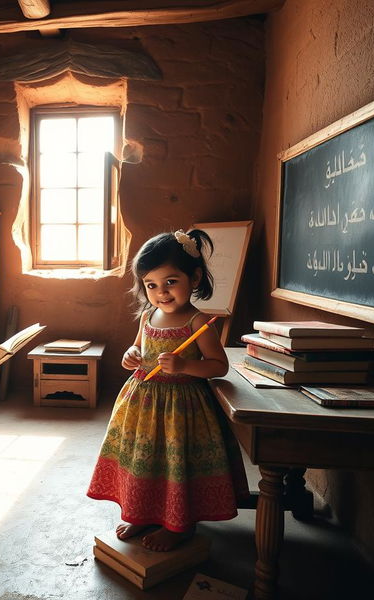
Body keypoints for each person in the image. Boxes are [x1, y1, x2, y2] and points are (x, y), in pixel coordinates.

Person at [87, 229, 248, 551]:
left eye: (171, 282)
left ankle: (181, 525)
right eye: (151, 285)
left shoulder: (198, 323)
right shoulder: (148, 315)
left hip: (182, 409)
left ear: (196, 278)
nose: (162, 293)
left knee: (176, 466)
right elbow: (136, 351)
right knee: (145, 463)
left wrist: (186, 366)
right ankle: (144, 513)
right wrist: (129, 357)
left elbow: (218, 366)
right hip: (142, 404)